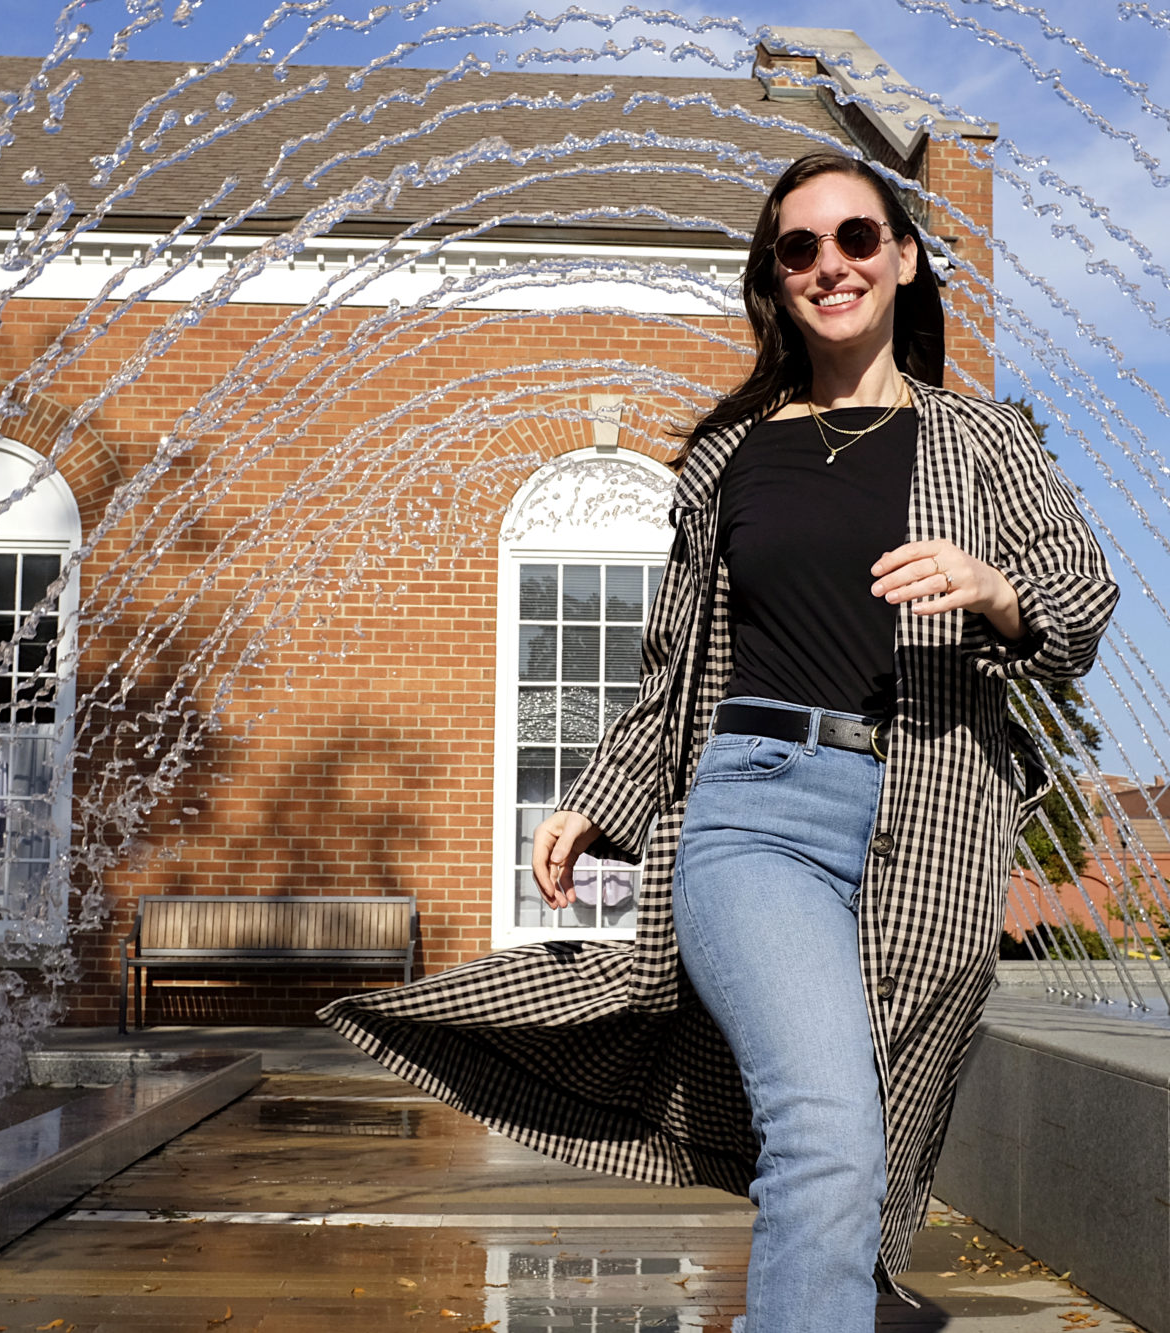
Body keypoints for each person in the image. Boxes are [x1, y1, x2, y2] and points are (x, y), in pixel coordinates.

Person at [322, 151, 1118, 1331]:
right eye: (798, 249)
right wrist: (593, 798)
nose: (829, 265)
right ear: (773, 281)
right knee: (823, 1128)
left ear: (901, 258)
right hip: (751, 811)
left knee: (872, 1130)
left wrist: (989, 587)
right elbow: (674, 671)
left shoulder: (981, 441)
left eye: (856, 238)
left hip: (930, 822)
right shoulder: (727, 456)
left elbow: (1081, 595)